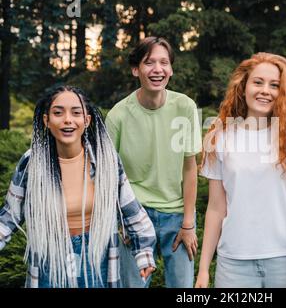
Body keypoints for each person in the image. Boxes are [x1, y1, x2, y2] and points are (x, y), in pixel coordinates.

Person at [195, 52, 286, 288]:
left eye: (274, 85)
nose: (265, 90)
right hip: (234, 263)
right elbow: (216, 208)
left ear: (283, 92)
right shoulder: (219, 137)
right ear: (243, 86)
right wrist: (204, 270)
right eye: (258, 82)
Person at [0, 85, 156, 288]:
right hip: (50, 256)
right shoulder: (31, 163)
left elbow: (131, 210)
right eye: (58, 113)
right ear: (46, 121)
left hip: (97, 256)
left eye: (76, 113)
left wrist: (144, 253)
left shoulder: (105, 161)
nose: (67, 119)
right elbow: (9, 216)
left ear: (87, 120)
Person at [106, 36, 202, 288]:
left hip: (177, 216)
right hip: (134, 215)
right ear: (136, 69)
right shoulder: (118, 115)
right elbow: (107, 176)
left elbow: (190, 168)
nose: (157, 69)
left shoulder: (185, 107)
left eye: (164, 62)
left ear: (171, 69)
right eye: (149, 63)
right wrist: (119, 221)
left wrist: (188, 223)